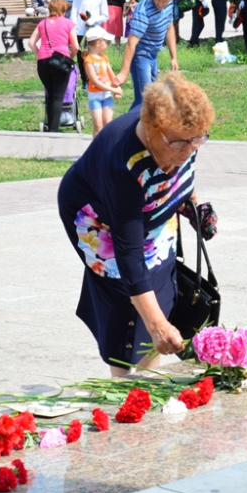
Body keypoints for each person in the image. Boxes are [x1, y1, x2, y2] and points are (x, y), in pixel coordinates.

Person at [57, 72, 215, 376]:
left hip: (149, 207)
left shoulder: (183, 137)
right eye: (180, 143)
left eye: (198, 140)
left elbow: (183, 172)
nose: (189, 150)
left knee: (160, 278)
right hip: (99, 220)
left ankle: (148, 377)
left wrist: (195, 206)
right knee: (125, 299)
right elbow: (129, 255)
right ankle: (124, 386)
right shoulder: (125, 165)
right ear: (152, 129)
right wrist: (157, 326)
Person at [113, 0, 179, 108]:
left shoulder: (169, 3)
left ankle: (137, 121)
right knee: (146, 100)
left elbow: (169, 27)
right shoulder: (143, 11)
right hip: (141, 55)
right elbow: (131, 43)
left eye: (164, 1)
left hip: (153, 54)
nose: (160, 4)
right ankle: (128, 122)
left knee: (148, 98)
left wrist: (174, 58)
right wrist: (123, 73)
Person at [29, 0, 80, 134]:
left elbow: (31, 43)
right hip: (60, 62)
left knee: (50, 94)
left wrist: (39, 54)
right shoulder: (68, 23)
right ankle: (53, 130)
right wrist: (69, 58)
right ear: (63, 9)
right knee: (58, 97)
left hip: (43, 62)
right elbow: (75, 46)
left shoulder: (42, 23)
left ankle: (50, 125)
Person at [70, 0, 109, 90]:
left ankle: (96, 79)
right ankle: (85, 81)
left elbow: (105, 15)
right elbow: (74, 11)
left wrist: (94, 20)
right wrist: (73, 27)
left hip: (94, 31)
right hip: (81, 30)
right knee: (82, 55)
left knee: (94, 54)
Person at [83, 26, 122, 137]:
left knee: (108, 123)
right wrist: (113, 89)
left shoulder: (105, 58)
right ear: (98, 43)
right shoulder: (89, 60)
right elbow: (96, 82)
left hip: (107, 95)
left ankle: (108, 145)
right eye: (107, 42)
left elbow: (112, 76)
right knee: (98, 125)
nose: (108, 45)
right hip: (95, 96)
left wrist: (117, 87)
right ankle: (96, 146)